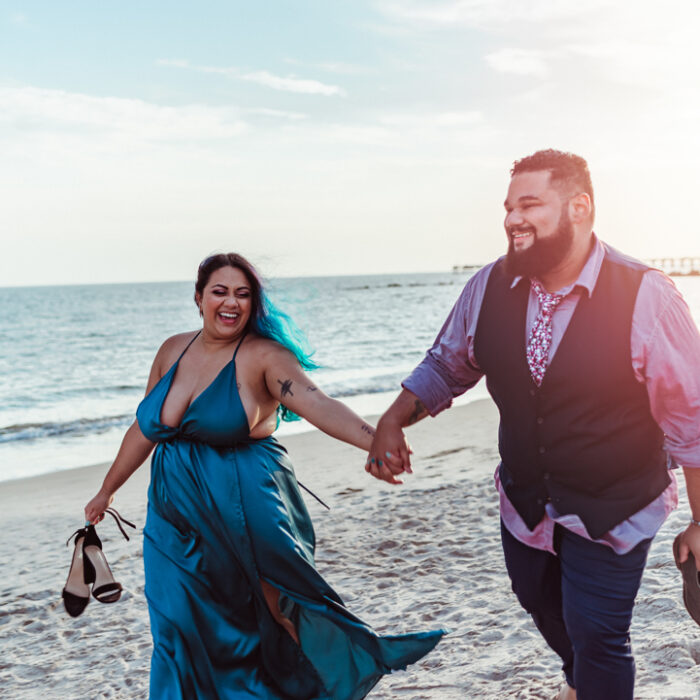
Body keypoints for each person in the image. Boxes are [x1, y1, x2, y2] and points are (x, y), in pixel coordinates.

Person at [365, 150, 700, 700]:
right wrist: (392, 419)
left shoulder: (648, 295)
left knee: (599, 634)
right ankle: (580, 681)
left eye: (529, 204)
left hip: (616, 502)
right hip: (525, 499)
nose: (512, 219)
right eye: (508, 207)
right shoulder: (489, 286)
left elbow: (691, 420)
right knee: (538, 601)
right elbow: (449, 364)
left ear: (579, 208)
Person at [84, 253, 444, 700]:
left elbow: (319, 405)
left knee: (274, 607)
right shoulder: (171, 350)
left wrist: (376, 440)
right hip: (174, 511)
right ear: (199, 298)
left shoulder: (264, 357)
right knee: (175, 618)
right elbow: (144, 427)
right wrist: (108, 489)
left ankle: (315, 689)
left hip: (244, 502)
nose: (230, 302)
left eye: (242, 294)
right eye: (220, 291)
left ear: (253, 303)